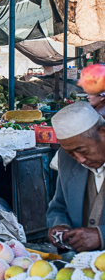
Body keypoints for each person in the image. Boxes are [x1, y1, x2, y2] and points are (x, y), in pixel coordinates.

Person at [47, 102, 105, 252]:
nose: (80, 160)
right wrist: (60, 226)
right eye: (71, 153)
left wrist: (101, 235)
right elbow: (58, 206)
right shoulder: (67, 160)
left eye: (83, 150)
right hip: (80, 265)